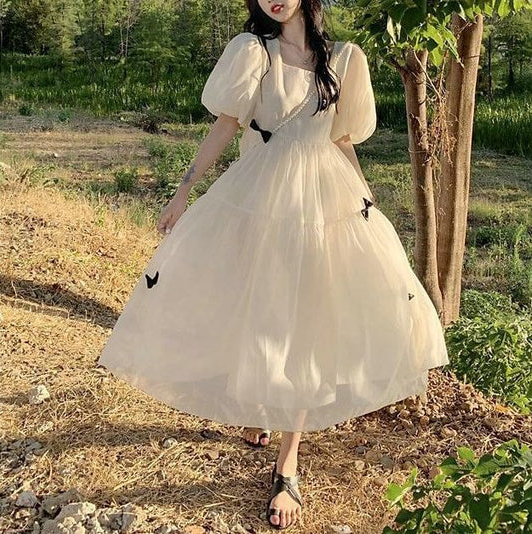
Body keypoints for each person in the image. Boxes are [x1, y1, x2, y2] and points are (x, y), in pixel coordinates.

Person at [97, 0, 450, 529]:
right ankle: (260, 407)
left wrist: (364, 201)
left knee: (304, 323)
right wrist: (184, 190)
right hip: (258, 199)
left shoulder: (345, 59)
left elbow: (341, 140)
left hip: (322, 205)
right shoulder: (252, 52)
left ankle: (287, 465)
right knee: (259, 308)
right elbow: (225, 126)